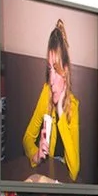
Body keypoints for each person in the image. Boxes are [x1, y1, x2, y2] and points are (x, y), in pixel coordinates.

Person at [21, 20, 82, 181]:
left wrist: (61, 112)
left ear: (65, 72)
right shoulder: (46, 93)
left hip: (63, 180)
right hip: (47, 172)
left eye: (56, 69)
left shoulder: (73, 106)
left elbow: (74, 170)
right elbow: (27, 138)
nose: (51, 79)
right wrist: (37, 154)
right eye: (49, 69)